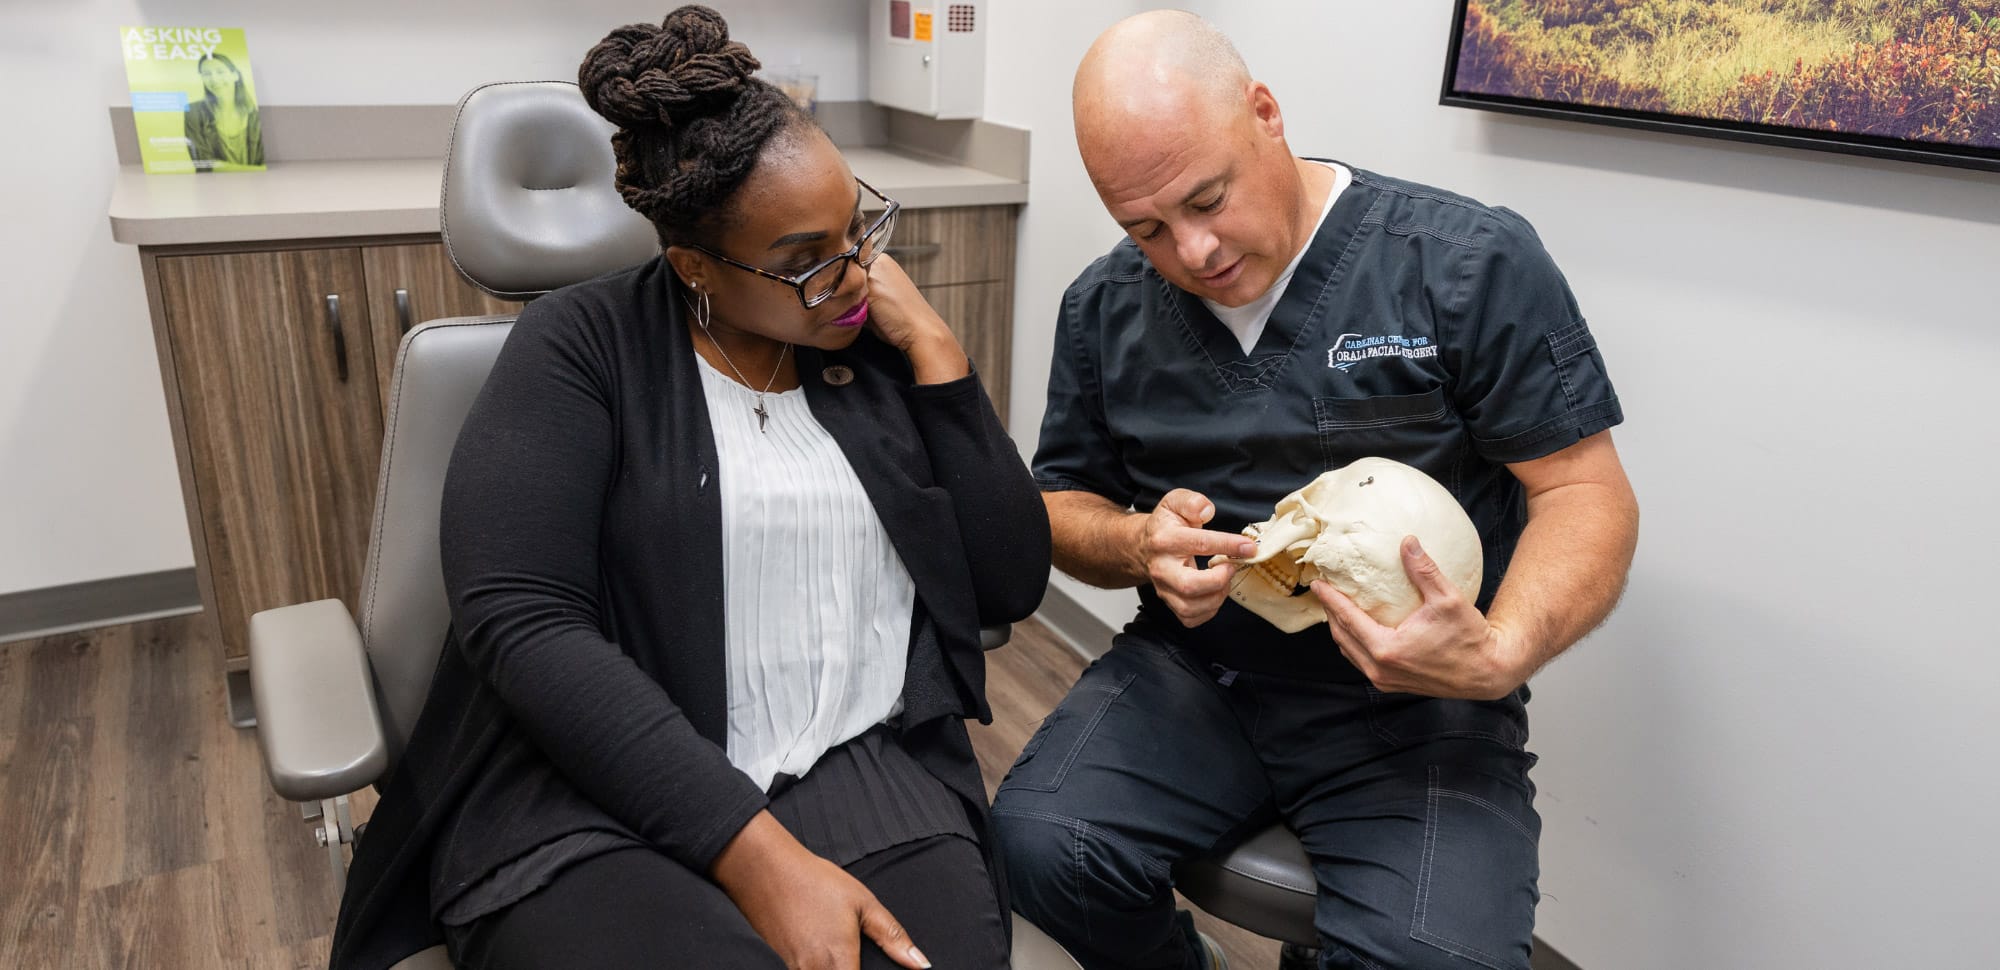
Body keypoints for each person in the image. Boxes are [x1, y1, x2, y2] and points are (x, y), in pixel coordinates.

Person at [327, 8, 1048, 970]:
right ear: (694, 267)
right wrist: (756, 857)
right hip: (592, 793)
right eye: (803, 261)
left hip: (860, 767)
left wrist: (941, 361)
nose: (852, 274)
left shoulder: (866, 347)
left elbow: (1007, 586)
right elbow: (523, 621)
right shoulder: (579, 349)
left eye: (856, 227)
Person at [990, 11, 1639, 970]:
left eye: (1208, 198)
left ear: (1265, 113)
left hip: (1418, 704)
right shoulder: (1103, 307)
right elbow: (1060, 505)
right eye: (1147, 228)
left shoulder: (1462, 265)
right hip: (1200, 672)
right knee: (1039, 846)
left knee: (1436, 958)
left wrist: (1499, 654)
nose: (1196, 252)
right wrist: (1137, 544)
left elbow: (1586, 495)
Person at [184, 52, 263, 169]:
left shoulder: (254, 114)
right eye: (206, 74)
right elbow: (203, 162)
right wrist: (252, 170)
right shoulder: (193, 112)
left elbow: (261, 161)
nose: (214, 79)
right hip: (214, 183)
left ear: (235, 75)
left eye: (220, 72)